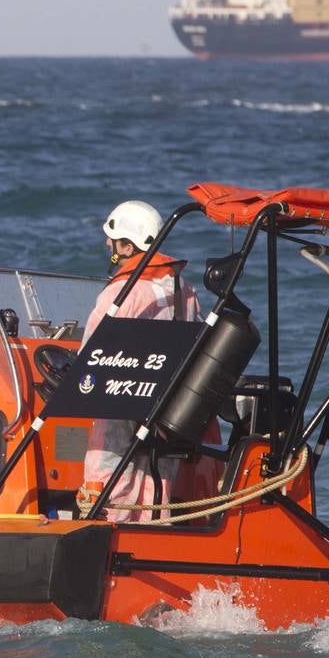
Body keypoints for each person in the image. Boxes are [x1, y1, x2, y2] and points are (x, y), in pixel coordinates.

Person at [76, 200, 212, 522]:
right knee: (156, 490)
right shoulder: (184, 290)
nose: (108, 245)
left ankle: (104, 532)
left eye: (113, 240)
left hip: (118, 403)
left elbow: (89, 357)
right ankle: (154, 537)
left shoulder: (120, 293)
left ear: (128, 244)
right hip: (164, 407)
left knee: (109, 484)